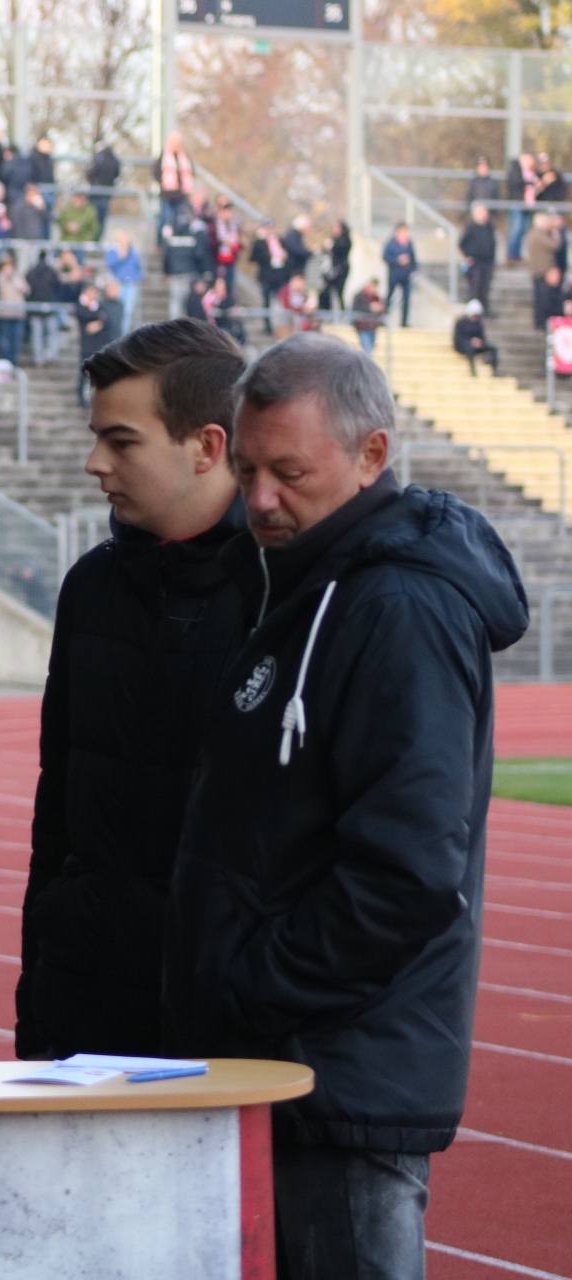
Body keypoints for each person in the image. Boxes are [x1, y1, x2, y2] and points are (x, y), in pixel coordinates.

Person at [164, 334, 527, 1280]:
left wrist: (247, 986)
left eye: (288, 473)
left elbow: (407, 876)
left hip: (341, 1080)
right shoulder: (300, 584)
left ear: (372, 456)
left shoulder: (398, 610)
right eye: (247, 470)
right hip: (293, 1066)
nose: (259, 500)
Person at [18, 319, 247, 1061]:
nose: (95, 463)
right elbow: (57, 818)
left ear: (207, 446)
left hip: (226, 1024)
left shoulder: (289, 596)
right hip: (83, 1015)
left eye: (121, 442)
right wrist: (40, 1008)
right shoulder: (90, 588)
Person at [74, 281, 117, 405]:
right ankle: (82, 398)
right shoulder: (80, 306)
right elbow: (85, 316)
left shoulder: (100, 306)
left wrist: (98, 323)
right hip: (87, 346)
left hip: (99, 345)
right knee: (85, 374)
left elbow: (106, 318)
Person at [461, 204, 498, 314]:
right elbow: (462, 243)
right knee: (475, 288)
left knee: (485, 287)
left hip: (487, 262)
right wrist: (468, 255)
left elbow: (493, 244)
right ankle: (473, 311)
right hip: (475, 262)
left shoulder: (489, 227)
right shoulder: (470, 227)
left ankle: (485, 309)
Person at [105, 230, 144, 333]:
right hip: (118, 284)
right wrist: (120, 257)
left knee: (128, 311)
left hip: (131, 284)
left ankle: (124, 333)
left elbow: (138, 267)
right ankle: (117, 333)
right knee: (118, 310)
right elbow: (109, 265)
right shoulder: (113, 251)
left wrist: (138, 276)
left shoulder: (133, 252)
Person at [157, 131, 194, 236]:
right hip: (167, 195)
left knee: (179, 220)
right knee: (165, 220)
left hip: (181, 195)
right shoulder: (164, 156)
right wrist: (164, 183)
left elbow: (190, 173)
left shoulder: (184, 157)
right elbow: (156, 172)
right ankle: (162, 242)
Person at [0, 255, 29, 364]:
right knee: (4, 341)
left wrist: (20, 285)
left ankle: (14, 361)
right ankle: (5, 362)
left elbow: (27, 290)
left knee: (16, 340)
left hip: (17, 314)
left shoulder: (18, 277)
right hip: (4, 314)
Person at [382, 222, 418, 326]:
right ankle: (383, 319)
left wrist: (413, 269)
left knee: (406, 300)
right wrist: (398, 261)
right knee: (389, 297)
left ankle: (404, 322)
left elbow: (413, 259)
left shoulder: (409, 244)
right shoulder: (391, 244)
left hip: (406, 276)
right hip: (394, 275)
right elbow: (385, 257)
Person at [454, 299, 499, 375]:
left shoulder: (478, 324)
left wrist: (480, 342)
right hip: (463, 346)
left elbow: (482, 336)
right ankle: (473, 371)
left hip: (476, 346)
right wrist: (470, 341)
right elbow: (458, 338)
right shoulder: (461, 323)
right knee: (469, 348)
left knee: (492, 348)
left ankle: (494, 370)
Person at [210, 198, 243, 303]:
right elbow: (211, 243)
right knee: (219, 285)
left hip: (231, 261)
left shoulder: (234, 226)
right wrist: (223, 241)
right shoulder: (215, 225)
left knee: (230, 286)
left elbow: (238, 243)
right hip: (218, 262)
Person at [508, 152, 538, 263]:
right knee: (516, 229)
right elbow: (516, 182)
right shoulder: (516, 169)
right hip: (517, 204)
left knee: (523, 230)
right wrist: (530, 182)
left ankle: (517, 254)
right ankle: (512, 255)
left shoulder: (531, 171)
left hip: (527, 205)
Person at [87, 141, 121, 234]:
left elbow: (91, 172)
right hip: (107, 194)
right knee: (102, 221)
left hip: (95, 194)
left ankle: (93, 239)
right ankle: (98, 239)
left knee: (92, 219)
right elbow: (117, 174)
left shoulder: (99, 158)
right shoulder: (114, 159)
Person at [319, 218, 352, 313]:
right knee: (326, 293)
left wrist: (332, 246)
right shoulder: (333, 240)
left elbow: (340, 250)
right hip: (330, 270)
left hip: (340, 271)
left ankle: (341, 313)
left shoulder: (345, 241)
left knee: (339, 293)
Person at [352, 278, 386, 355]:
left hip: (373, 328)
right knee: (368, 350)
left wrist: (380, 308)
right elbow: (356, 309)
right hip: (363, 327)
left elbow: (382, 310)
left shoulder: (376, 297)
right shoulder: (359, 296)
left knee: (371, 349)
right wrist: (370, 308)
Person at [279, 216, 313, 283]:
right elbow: (296, 250)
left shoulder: (295, 235)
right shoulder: (293, 235)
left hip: (292, 269)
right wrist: (309, 252)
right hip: (291, 269)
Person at [536, 265, 566, 330]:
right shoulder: (543, 290)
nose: (557, 277)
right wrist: (563, 308)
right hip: (547, 322)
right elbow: (546, 306)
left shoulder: (558, 289)